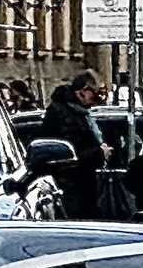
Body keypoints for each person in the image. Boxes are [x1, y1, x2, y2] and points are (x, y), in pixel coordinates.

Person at [42, 72, 107, 218]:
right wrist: (99, 153)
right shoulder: (64, 115)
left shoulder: (78, 113)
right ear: (83, 92)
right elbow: (68, 155)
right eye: (94, 94)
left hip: (81, 186)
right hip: (70, 188)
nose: (96, 100)